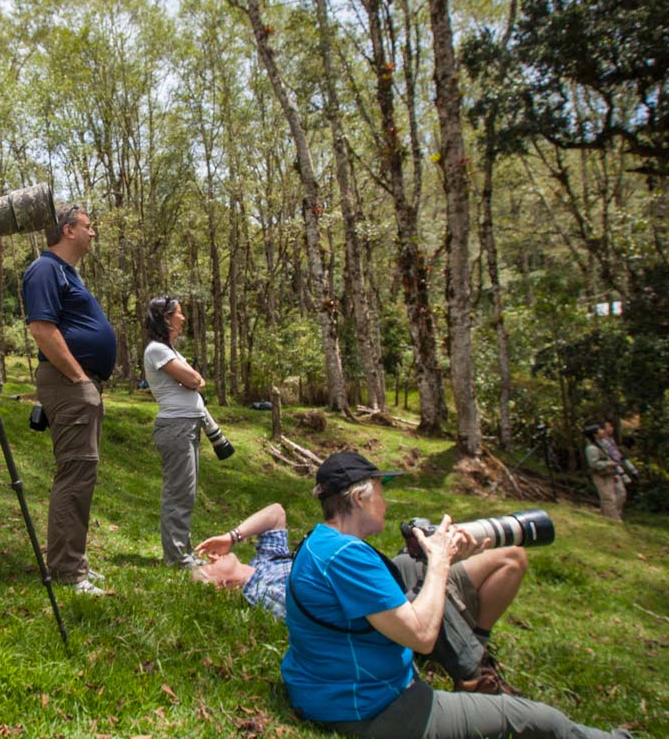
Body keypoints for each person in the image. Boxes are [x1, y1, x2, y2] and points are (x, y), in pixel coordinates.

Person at [282, 452, 632, 738]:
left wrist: (444, 557)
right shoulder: (348, 558)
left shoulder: (323, 542)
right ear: (359, 498)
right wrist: (438, 562)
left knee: (435, 566)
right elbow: (421, 636)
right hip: (373, 709)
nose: (386, 502)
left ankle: (472, 656)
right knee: (542, 721)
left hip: (328, 688)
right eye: (380, 491)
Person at [192, 502, 526, 694]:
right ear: (221, 587)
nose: (209, 559)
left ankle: (476, 642)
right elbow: (349, 612)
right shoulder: (263, 594)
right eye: (206, 569)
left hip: (380, 574)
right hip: (381, 601)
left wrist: (231, 536)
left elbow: (276, 512)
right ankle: (473, 670)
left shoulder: (265, 561)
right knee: (433, 566)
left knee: (511, 557)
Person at [22, 204, 116, 595]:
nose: (93, 233)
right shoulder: (44, 269)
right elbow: (42, 330)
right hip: (69, 382)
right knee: (75, 474)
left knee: (82, 474)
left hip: (78, 383)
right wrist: (79, 378)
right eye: (88, 227)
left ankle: (73, 562)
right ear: (68, 230)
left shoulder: (65, 273)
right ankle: (66, 572)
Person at [142, 296, 209, 566]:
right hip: (176, 427)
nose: (183, 318)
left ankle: (183, 552)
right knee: (178, 492)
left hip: (187, 426)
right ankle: (177, 557)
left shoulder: (170, 351)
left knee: (186, 492)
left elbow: (195, 381)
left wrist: (194, 381)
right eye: (178, 313)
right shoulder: (157, 350)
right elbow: (194, 379)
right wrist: (193, 380)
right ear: (166, 318)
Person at [584, 423, 627, 521]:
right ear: (594, 434)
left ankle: (605, 517)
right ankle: (615, 520)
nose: (603, 431)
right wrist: (608, 464)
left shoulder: (601, 444)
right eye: (600, 430)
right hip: (600, 475)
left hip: (608, 474)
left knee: (612, 496)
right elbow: (594, 464)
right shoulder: (591, 448)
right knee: (608, 498)